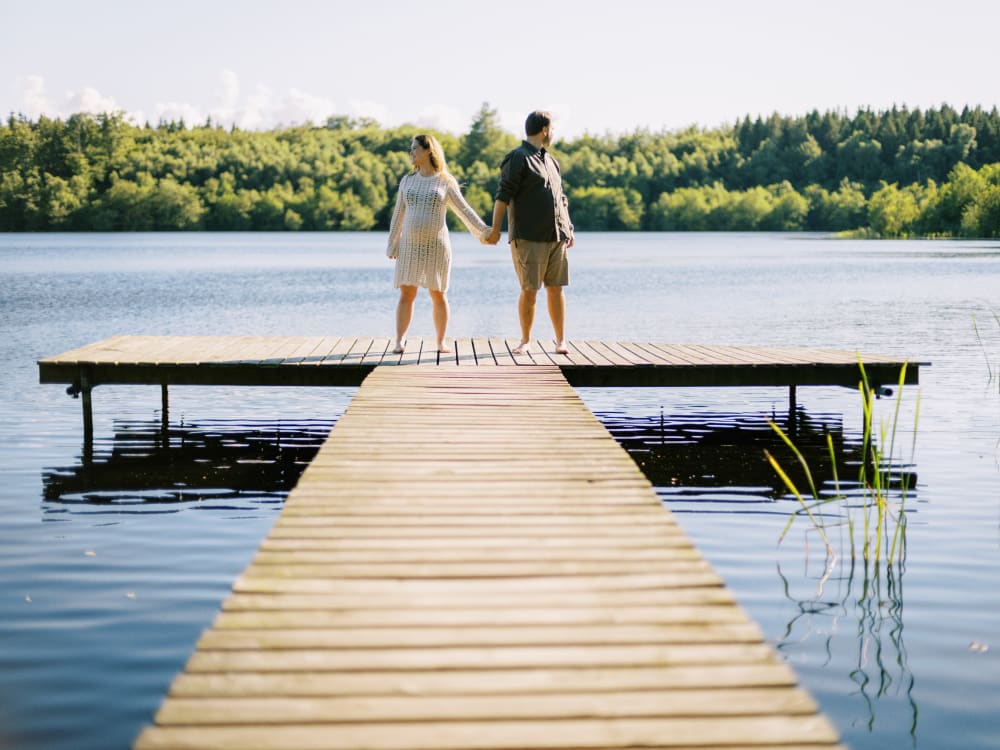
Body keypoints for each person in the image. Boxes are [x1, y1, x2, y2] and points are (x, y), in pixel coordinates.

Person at [386, 133, 489, 353]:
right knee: (407, 294)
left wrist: (484, 231)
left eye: (415, 149)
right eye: (411, 149)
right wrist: (392, 243)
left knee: (438, 294)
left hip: (437, 247)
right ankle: (399, 340)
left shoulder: (445, 181)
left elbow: (464, 210)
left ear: (428, 151)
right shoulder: (407, 180)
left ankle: (441, 342)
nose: (411, 153)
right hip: (409, 245)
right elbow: (398, 215)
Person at [485, 110, 574, 355]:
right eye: (552, 128)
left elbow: (560, 198)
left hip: (557, 235)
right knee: (530, 289)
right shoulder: (518, 157)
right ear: (545, 129)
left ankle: (561, 341)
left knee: (556, 288)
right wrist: (495, 230)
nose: (553, 133)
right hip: (528, 236)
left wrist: (568, 226)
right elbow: (503, 196)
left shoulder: (551, 161)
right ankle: (525, 340)